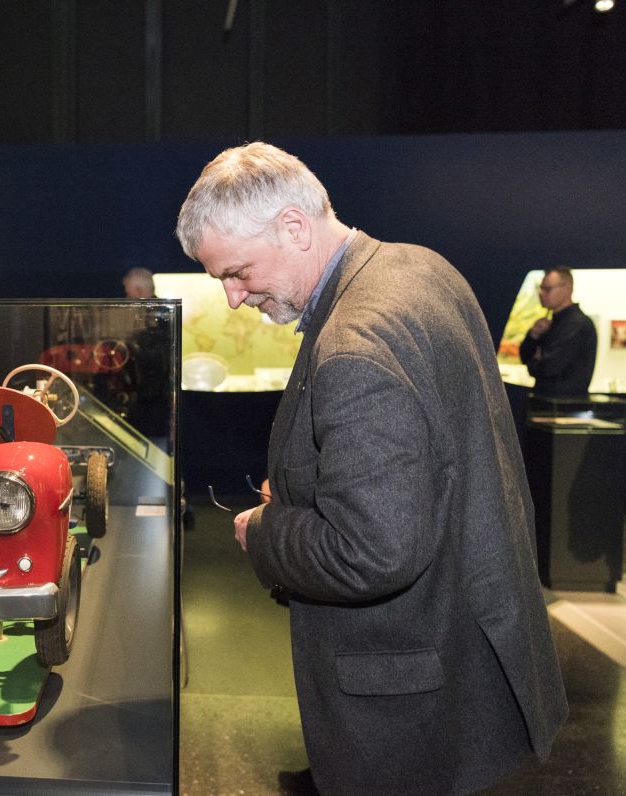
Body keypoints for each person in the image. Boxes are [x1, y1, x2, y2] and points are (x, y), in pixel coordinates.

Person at [175, 142, 567, 795]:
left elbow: (372, 550)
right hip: (456, 657)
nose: (235, 299)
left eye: (236, 272)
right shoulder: (418, 268)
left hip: (405, 692)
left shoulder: (356, 342)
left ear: (294, 227)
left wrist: (267, 531)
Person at [519, 268, 597, 397]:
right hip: (548, 404)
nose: (541, 293)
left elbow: (548, 367)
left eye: (547, 289)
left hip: (563, 408)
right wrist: (533, 336)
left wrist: (535, 361)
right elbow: (525, 356)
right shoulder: (550, 323)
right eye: (540, 288)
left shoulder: (576, 324)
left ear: (567, 289)